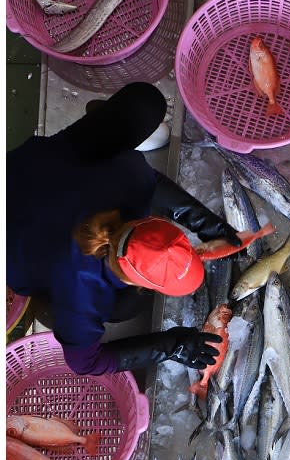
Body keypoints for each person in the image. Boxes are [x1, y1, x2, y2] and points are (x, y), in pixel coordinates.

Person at [6, 81, 241, 376]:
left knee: (146, 102)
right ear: (140, 283)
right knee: (128, 308)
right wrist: (171, 345)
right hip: (15, 242)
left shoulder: (125, 179)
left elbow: (151, 183)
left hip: (28, 173)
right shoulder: (81, 295)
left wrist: (206, 223)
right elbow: (85, 363)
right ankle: (44, 295)